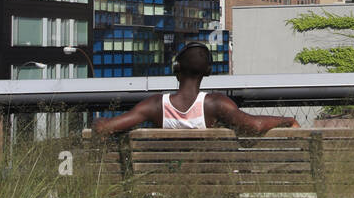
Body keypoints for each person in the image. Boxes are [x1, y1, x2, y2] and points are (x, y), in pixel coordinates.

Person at [90, 42, 297, 136]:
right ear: (207, 71)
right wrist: (286, 120)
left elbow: (104, 129)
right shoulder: (216, 104)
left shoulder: (154, 105)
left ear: (176, 70)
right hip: (213, 191)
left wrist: (100, 121)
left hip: (164, 191)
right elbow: (254, 126)